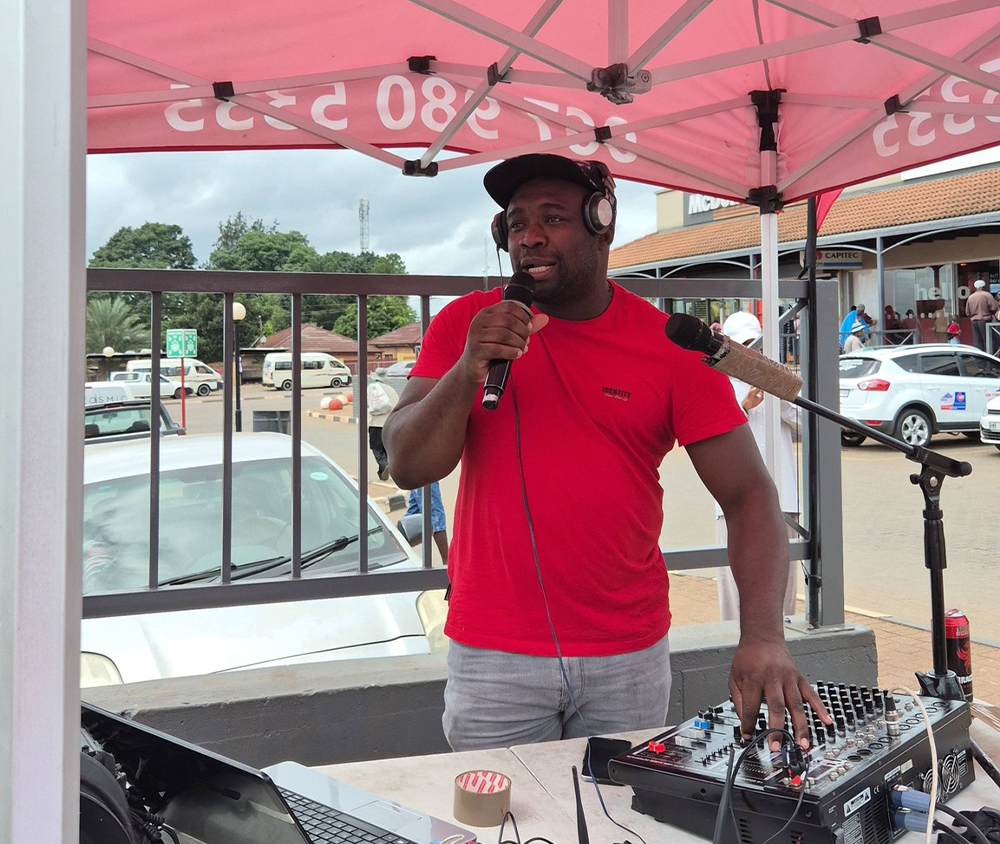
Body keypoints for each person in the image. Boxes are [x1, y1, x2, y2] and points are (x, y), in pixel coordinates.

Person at [382, 152, 829, 752]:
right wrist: (468, 368)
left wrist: (764, 637)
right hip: (494, 653)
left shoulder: (669, 345)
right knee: (503, 808)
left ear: (602, 224)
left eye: (553, 218)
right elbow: (408, 463)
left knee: (618, 805)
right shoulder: (468, 323)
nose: (530, 237)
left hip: (626, 655)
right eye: (516, 223)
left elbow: (749, 497)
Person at [713, 312, 801, 622]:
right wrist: (743, 407)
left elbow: (807, 424)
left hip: (783, 496)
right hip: (732, 500)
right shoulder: (717, 381)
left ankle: (784, 636)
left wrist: (782, 393)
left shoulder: (777, 376)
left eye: (755, 344)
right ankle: (730, 640)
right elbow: (711, 433)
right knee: (733, 583)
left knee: (783, 583)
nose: (750, 352)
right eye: (744, 344)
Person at [367, 368, 399, 481]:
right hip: (389, 425)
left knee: (376, 448)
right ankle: (382, 471)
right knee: (386, 448)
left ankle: (384, 465)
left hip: (376, 424)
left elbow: (368, 404)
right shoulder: (391, 390)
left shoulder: (372, 388)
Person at [405, 482, 449, 564]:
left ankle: (391, 547)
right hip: (425, 478)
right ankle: (447, 562)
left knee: (412, 516)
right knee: (435, 515)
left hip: (417, 477)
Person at [965, 279, 998, 352]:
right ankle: (990, 357)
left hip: (974, 321)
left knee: (977, 341)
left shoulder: (970, 297)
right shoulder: (987, 295)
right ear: (983, 286)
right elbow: (994, 308)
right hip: (985, 320)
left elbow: (967, 312)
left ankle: (979, 357)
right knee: (989, 341)